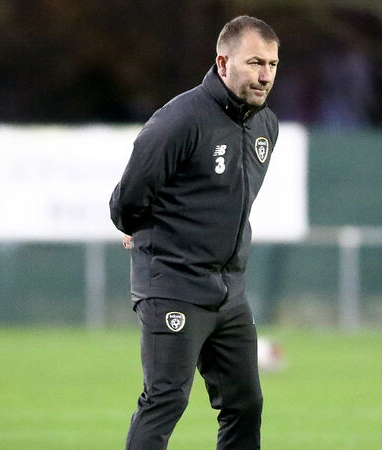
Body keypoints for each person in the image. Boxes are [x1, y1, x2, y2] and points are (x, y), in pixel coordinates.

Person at [109, 15, 280, 450]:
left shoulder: (265, 125)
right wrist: (138, 229)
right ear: (223, 63)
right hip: (173, 286)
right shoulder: (180, 120)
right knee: (165, 400)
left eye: (272, 65)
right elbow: (127, 200)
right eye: (254, 63)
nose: (265, 76)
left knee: (245, 404)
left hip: (229, 293)